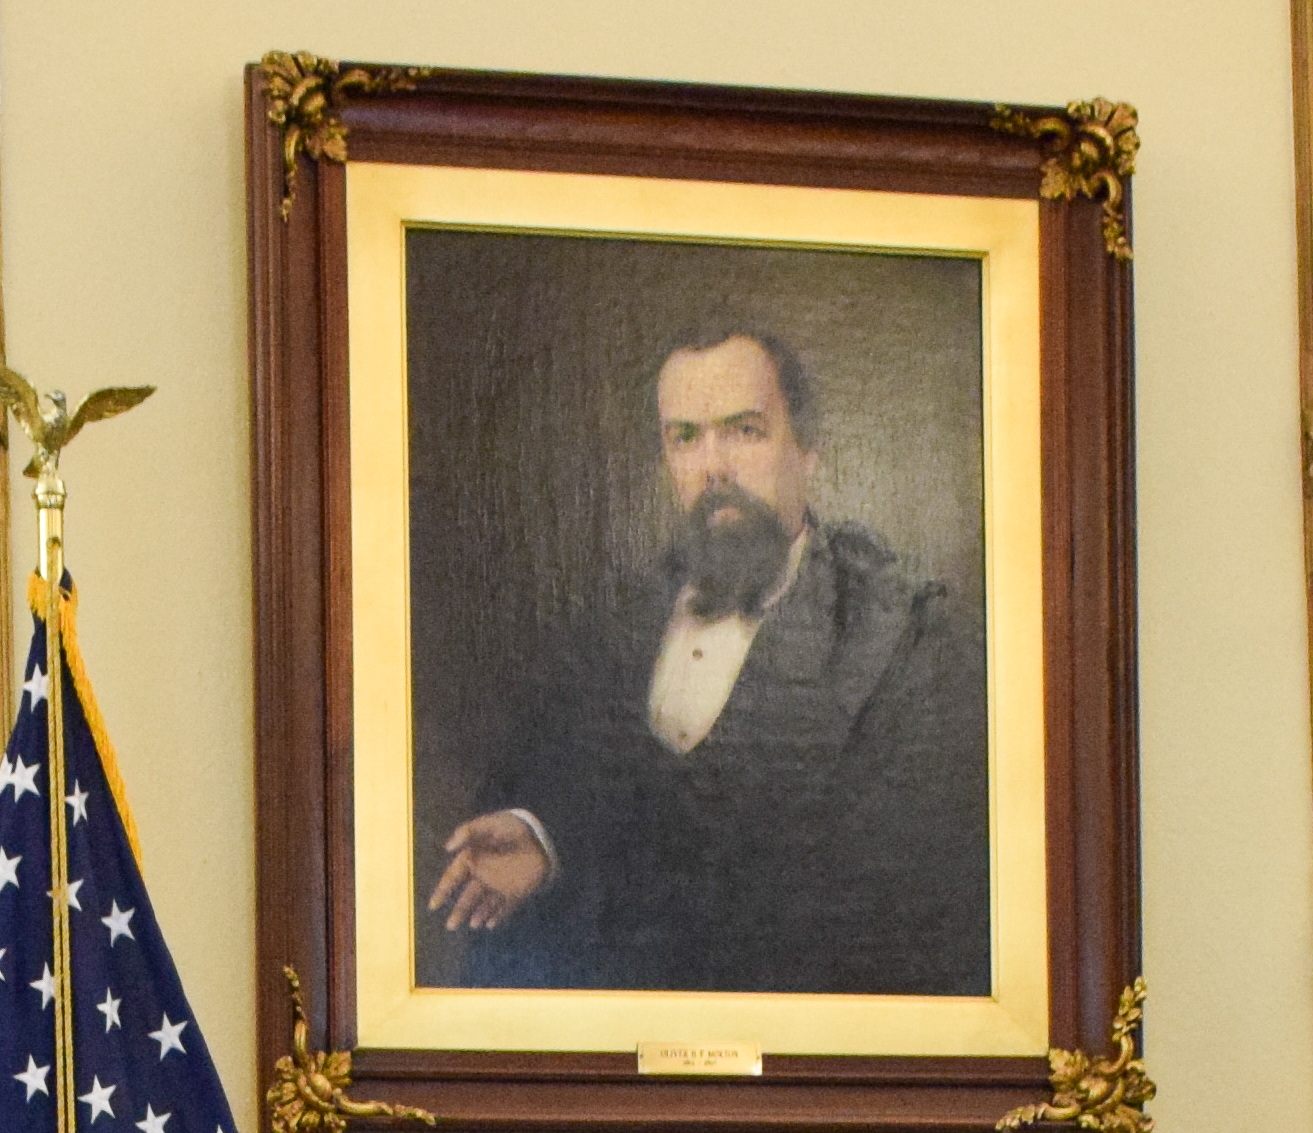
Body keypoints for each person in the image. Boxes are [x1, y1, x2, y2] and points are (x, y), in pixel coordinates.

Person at [420, 322, 985, 997]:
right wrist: (543, 836)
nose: (713, 466)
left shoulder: (901, 639)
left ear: (808, 451)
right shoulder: (613, 625)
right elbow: (573, 779)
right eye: (685, 437)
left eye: (744, 431)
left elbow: (904, 904)